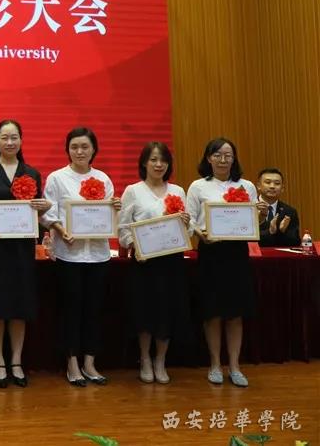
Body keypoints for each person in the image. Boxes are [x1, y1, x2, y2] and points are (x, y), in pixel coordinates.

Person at [0, 120, 49, 388]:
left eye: (14, 137)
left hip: (21, 250)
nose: (9, 142)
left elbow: (36, 210)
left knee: (19, 306)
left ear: (21, 140)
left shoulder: (32, 173)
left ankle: (16, 361)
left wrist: (44, 206)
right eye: (4, 137)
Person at [42, 127, 120, 387]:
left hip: (98, 255)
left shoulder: (103, 179)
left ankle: (90, 363)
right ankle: (72, 363)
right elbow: (48, 214)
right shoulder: (57, 178)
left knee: (94, 310)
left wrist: (115, 208)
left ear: (94, 150)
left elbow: (109, 217)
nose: (79, 151)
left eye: (85, 147)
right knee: (71, 310)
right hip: (69, 255)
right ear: (67, 150)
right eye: (74, 147)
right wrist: (60, 229)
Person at [186, 137, 266, 387]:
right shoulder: (198, 186)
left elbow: (252, 222)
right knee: (212, 312)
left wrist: (261, 215)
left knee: (235, 313)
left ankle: (234, 366)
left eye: (228, 155)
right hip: (210, 253)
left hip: (237, 254)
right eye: (217, 155)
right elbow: (189, 219)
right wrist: (200, 233)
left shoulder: (246, 186)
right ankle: (214, 365)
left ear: (234, 159)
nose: (223, 159)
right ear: (208, 158)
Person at [117, 142, 191, 384]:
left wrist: (186, 223)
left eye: (163, 160)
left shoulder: (178, 191)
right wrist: (134, 245)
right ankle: (145, 359)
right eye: (154, 159)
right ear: (144, 163)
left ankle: (160, 360)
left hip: (172, 262)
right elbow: (123, 229)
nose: (159, 164)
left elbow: (188, 230)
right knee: (145, 312)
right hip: (144, 263)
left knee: (167, 312)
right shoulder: (133, 191)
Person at [256, 168, 300, 247]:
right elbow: (246, 240)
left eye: (277, 183)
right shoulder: (250, 208)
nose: (272, 186)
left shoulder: (289, 211)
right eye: (268, 182)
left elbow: (295, 242)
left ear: (282, 188)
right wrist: (270, 232)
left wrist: (281, 231)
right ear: (258, 186)